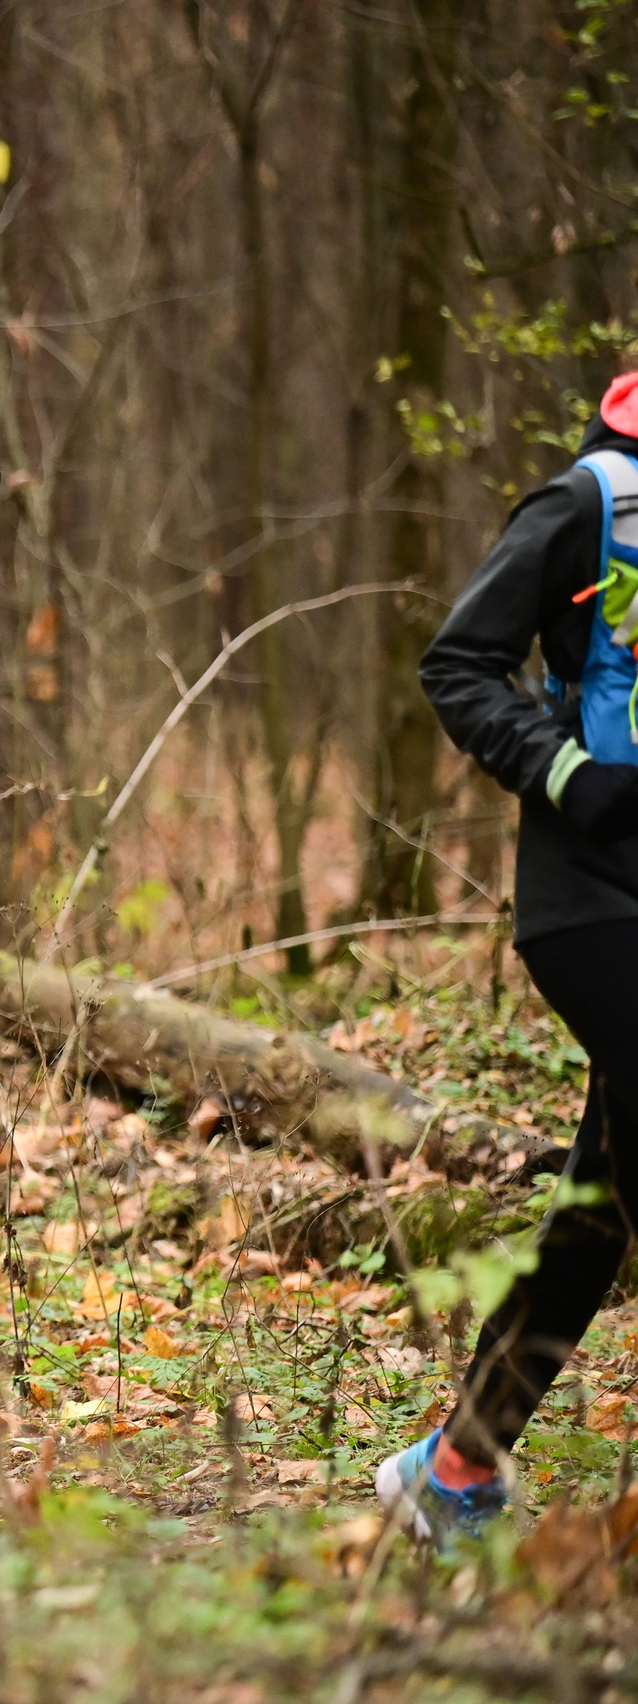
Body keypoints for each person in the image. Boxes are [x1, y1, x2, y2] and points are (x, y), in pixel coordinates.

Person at [396, 370, 638, 1542]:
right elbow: (456, 663)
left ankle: (455, 1467)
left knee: (595, 1214)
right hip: (588, 899)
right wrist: (566, 777)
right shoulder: (586, 499)